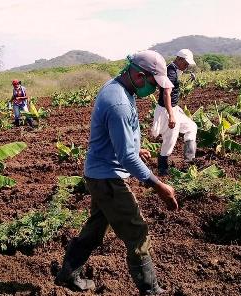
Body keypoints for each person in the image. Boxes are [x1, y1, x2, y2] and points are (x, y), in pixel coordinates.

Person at [55, 50, 178, 295]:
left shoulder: (119, 88)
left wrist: (135, 146)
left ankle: (68, 275)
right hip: (108, 177)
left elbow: (121, 142)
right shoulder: (119, 102)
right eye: (153, 84)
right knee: (137, 232)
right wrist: (158, 185)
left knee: (96, 228)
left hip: (101, 174)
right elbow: (126, 157)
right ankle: (151, 290)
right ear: (139, 75)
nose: (154, 90)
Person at [151, 49, 198, 176]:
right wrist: (171, 115)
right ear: (179, 59)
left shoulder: (174, 69)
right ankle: (162, 169)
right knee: (170, 140)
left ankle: (189, 161)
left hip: (174, 108)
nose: (187, 65)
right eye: (186, 63)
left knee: (191, 127)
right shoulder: (171, 71)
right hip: (168, 110)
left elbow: (175, 84)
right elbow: (166, 93)